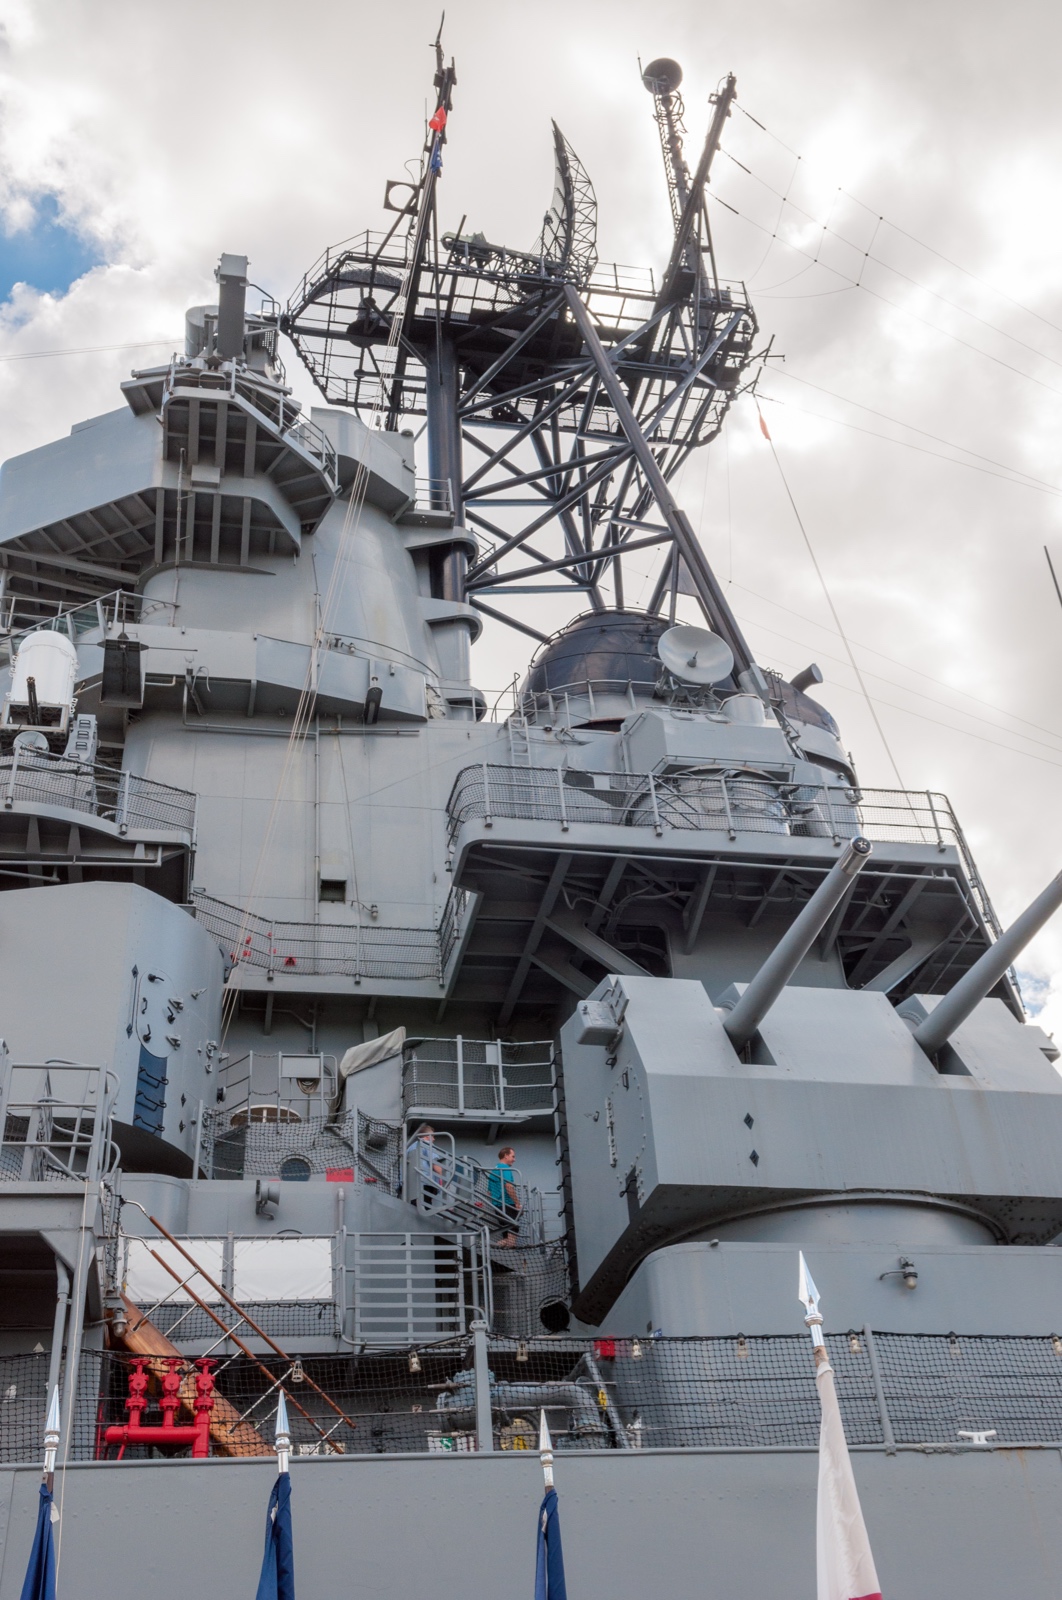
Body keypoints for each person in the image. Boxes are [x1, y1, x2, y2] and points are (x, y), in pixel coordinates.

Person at [488, 1146, 522, 1246]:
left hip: (498, 1207)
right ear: (506, 1156)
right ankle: (490, 1247)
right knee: (513, 1234)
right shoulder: (505, 1168)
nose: (514, 1159)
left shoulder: (494, 1170)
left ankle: (493, 1247)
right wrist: (517, 1203)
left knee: (507, 1237)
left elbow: (489, 1192)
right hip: (507, 1205)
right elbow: (509, 1186)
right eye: (513, 1156)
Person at [406, 1123, 445, 1211]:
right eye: (433, 1136)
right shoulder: (426, 1144)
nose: (434, 1139)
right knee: (425, 1209)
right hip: (425, 1183)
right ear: (427, 1137)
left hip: (410, 1186)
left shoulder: (409, 1148)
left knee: (414, 1209)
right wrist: (443, 1178)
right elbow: (435, 1165)